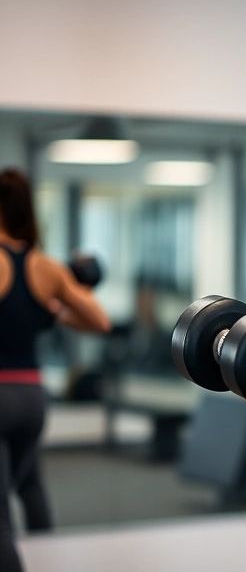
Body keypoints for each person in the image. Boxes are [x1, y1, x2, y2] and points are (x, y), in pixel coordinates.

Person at [0, 167, 111, 572]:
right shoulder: (45, 267)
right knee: (29, 483)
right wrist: (55, 312)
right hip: (32, 397)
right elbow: (99, 320)